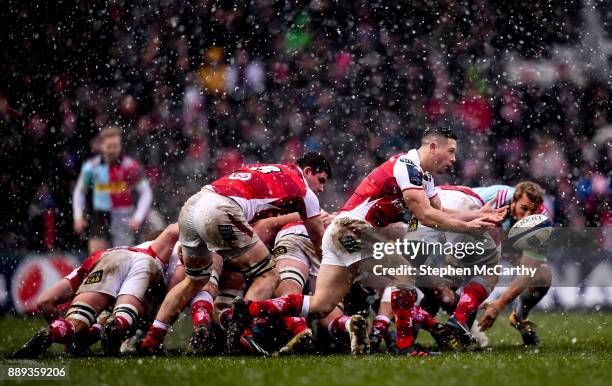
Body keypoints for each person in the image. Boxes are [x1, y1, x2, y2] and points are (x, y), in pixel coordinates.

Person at [230, 127, 506, 355]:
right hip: (353, 229)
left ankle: (251, 309)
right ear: (433, 146)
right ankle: (406, 347)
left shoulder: (425, 177)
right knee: (404, 274)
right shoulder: (407, 167)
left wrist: (478, 214)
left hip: (343, 232)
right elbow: (426, 215)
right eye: (451, 151)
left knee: (320, 306)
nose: (454, 158)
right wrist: (471, 226)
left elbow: (441, 211)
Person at [140, 152, 331, 354]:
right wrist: (327, 272)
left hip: (193, 204)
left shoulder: (268, 169)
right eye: (320, 181)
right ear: (308, 171)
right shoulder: (304, 191)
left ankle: (151, 342)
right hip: (221, 210)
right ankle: (240, 337)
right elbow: (318, 237)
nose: (321, 188)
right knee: (269, 274)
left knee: (194, 280)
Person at [12, 224, 178, 358]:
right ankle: (118, 326)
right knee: (127, 315)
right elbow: (172, 230)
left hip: (107, 259)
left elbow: (44, 302)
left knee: (77, 321)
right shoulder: (163, 252)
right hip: (145, 262)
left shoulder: (104, 253)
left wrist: (72, 339)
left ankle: (59, 331)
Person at [475, 182, 551, 346]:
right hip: (476, 235)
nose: (527, 217)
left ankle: (519, 316)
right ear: (513, 201)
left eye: (533, 211)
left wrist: (499, 304)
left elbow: (528, 270)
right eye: (524, 208)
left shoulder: (542, 221)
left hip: (508, 245)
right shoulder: (494, 198)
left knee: (542, 276)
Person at [72, 126, 153, 253]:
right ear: (101, 146)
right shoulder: (91, 167)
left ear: (120, 146)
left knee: (121, 258)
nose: (113, 150)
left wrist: (138, 217)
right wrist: (78, 216)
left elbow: (146, 192)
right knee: (96, 258)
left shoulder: (130, 166)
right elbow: (79, 191)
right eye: (109, 146)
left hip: (123, 217)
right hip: (100, 216)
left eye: (116, 146)